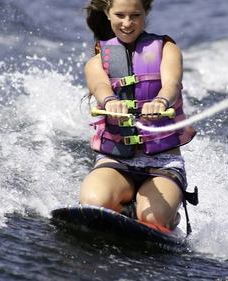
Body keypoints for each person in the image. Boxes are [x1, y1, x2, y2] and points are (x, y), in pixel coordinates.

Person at [80, 0, 196, 232]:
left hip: (162, 163)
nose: (127, 23)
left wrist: (160, 101)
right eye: (120, 15)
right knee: (94, 203)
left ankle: (169, 218)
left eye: (135, 15)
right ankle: (125, 207)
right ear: (108, 13)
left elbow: (172, 84)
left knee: (152, 218)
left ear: (146, 13)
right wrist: (110, 101)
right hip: (117, 161)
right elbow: (100, 86)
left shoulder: (166, 49)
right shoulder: (97, 60)